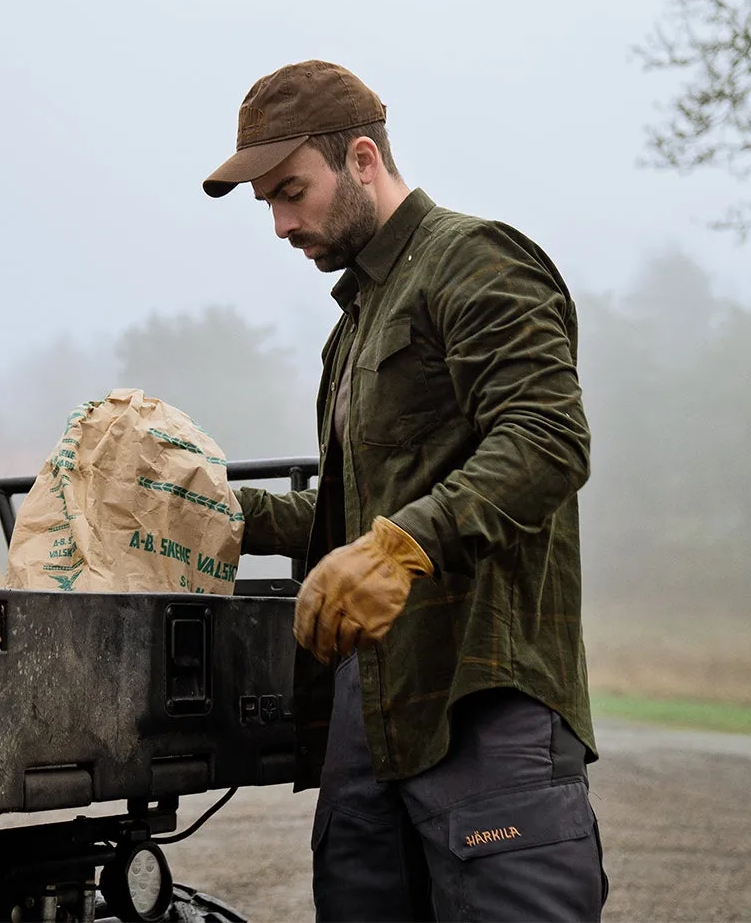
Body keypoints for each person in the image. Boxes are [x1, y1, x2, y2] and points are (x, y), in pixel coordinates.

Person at [202, 60, 609, 922]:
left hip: (480, 704)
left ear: (360, 159)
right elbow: (359, 516)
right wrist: (217, 512)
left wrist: (404, 545)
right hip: (370, 727)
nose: (280, 224)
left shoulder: (475, 262)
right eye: (267, 205)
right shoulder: (353, 329)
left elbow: (546, 437)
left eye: (291, 192)